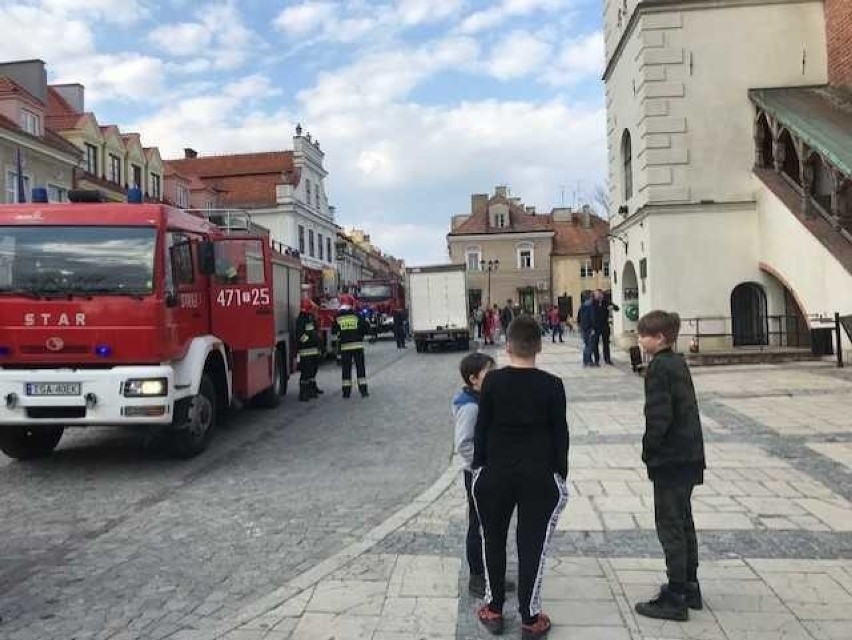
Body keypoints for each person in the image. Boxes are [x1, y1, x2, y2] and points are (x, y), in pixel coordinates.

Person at [472, 316, 569, 639]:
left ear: (507, 343)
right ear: (539, 347)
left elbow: (481, 427)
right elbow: (561, 434)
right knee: (532, 546)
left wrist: (479, 465)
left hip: (496, 472)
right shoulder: (553, 385)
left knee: (493, 539)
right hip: (538, 475)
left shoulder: (493, 382)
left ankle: (495, 607)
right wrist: (559, 471)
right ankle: (530, 616)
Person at [634, 310, 706, 621]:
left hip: (671, 458)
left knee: (670, 525)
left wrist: (648, 450)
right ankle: (689, 585)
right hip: (689, 455)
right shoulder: (678, 363)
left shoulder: (659, 369)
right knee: (684, 520)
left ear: (660, 338)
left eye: (643, 334)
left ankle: (675, 595)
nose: (639, 339)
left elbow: (659, 417)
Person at [452, 352, 501, 597]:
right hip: (478, 474)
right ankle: (477, 576)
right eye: (489, 373)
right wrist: (483, 464)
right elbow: (463, 444)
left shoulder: (482, 398)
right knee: (478, 525)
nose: (495, 376)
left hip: (489, 470)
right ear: (474, 379)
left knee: (492, 525)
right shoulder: (470, 406)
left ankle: (493, 575)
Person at [333, 294, 370, 398]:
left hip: (345, 347)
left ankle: (346, 392)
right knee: (360, 368)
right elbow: (366, 329)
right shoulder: (357, 315)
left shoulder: (338, 317)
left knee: (346, 369)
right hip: (357, 346)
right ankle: (363, 391)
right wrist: (359, 335)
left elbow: (334, 331)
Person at [296, 298, 323, 401]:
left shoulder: (310, 318)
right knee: (305, 373)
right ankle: (303, 393)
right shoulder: (301, 320)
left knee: (312, 371)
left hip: (313, 350)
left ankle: (312, 390)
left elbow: (314, 331)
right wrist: (310, 340)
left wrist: (318, 343)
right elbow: (300, 335)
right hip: (306, 351)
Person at [592, 290, 620, 365]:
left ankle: (607, 359)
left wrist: (613, 307)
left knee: (606, 343)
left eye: (598, 294)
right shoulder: (593, 303)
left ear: (602, 294)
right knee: (595, 343)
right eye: (595, 294)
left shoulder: (606, 301)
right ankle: (596, 360)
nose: (597, 296)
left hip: (605, 325)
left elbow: (617, 308)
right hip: (595, 326)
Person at [577, 296, 596, 366]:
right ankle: (587, 361)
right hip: (589, 328)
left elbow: (578, 318)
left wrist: (580, 326)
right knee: (590, 346)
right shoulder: (590, 307)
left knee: (587, 344)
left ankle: (587, 360)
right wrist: (593, 328)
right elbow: (592, 318)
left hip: (583, 328)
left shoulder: (581, 307)